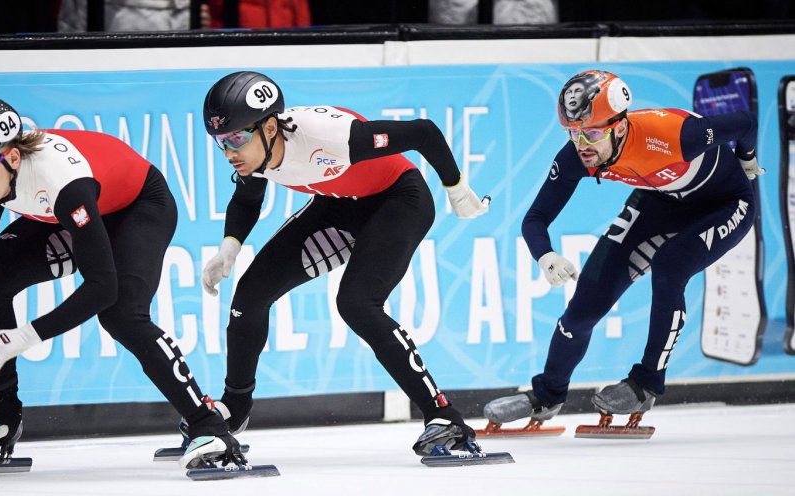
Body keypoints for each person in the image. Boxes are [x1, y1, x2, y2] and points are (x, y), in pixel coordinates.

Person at [196, 71, 491, 460]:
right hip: (337, 205)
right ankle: (234, 409)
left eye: (236, 138)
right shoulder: (257, 153)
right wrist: (229, 249)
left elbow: (424, 132)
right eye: (220, 142)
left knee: (357, 304)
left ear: (269, 127)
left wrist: (456, 188)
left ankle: (443, 416)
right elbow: (248, 201)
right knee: (248, 298)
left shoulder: (331, 136)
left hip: (398, 200)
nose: (229, 151)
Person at [0, 97, 239, 468]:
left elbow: (102, 287)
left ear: (13, 158)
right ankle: (3, 412)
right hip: (80, 211)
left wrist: (26, 336)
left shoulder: (61, 181)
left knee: (121, 314)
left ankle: (208, 426)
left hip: (137, 206)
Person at [483, 70, 762, 433]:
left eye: (592, 133)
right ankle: (548, 394)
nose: (582, 143)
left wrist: (747, 159)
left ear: (619, 125)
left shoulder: (674, 136)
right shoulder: (577, 155)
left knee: (670, 267)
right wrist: (545, 256)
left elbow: (745, 122)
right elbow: (535, 219)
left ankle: (646, 383)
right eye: (573, 132)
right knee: (586, 301)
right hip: (660, 201)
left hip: (725, 203)